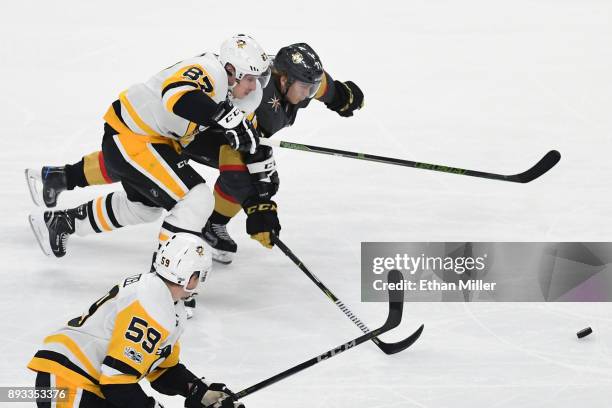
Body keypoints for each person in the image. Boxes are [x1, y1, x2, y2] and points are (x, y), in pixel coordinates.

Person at [26, 43, 364, 263]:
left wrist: (339, 97)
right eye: (302, 88)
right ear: (282, 78)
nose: (307, 96)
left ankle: (63, 214)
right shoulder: (221, 77)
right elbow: (182, 98)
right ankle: (173, 272)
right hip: (142, 133)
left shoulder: (265, 79)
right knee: (191, 197)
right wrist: (257, 204)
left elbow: (317, 87)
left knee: (146, 205)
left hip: (167, 135)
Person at [28, 34, 273, 260]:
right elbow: (177, 95)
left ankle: (62, 222)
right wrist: (227, 120)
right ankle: (167, 280)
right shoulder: (209, 71)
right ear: (231, 70)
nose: (254, 87)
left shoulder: (234, 93)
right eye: (250, 79)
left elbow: (234, 137)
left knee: (145, 208)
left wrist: (259, 195)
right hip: (131, 136)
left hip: (151, 140)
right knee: (196, 199)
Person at [27, 233, 244, 408]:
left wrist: (198, 390)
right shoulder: (153, 305)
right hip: (67, 382)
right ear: (191, 278)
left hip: (77, 380)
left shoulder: (164, 300)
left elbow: (162, 370)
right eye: (201, 275)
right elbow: (117, 383)